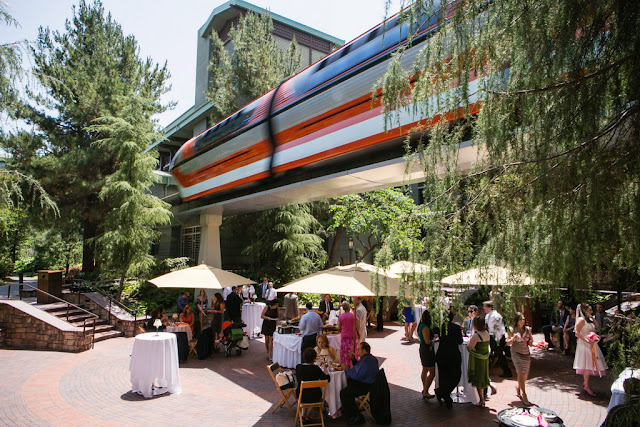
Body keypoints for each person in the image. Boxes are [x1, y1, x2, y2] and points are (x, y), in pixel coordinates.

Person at [340, 342, 378, 426]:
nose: (357, 351)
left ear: (364, 351)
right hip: (367, 383)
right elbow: (359, 370)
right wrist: (353, 359)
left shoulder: (366, 360)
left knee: (344, 393)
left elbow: (356, 375)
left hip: (366, 386)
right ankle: (349, 410)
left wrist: (346, 369)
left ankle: (355, 415)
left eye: (359, 349)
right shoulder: (368, 358)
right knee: (347, 386)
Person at [573, 303, 608, 396]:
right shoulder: (581, 320)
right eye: (590, 310)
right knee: (586, 364)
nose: (591, 311)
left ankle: (586, 384)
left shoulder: (589, 320)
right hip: (584, 344)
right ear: (584, 310)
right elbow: (576, 333)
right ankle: (587, 385)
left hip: (591, 344)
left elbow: (597, 327)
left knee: (591, 363)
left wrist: (592, 318)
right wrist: (587, 340)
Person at [435, 311, 463, 408]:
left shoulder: (441, 327)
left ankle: (442, 393)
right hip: (453, 355)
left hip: (442, 354)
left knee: (443, 377)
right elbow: (460, 341)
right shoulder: (456, 327)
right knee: (456, 375)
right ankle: (445, 395)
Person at [295, 348, 330, 422]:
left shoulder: (298, 367)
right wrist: (325, 369)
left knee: (305, 391)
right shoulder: (316, 369)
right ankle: (306, 415)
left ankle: (303, 416)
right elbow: (327, 379)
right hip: (315, 396)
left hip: (301, 395)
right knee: (312, 393)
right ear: (314, 359)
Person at [506, 312, 533, 405]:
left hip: (526, 354)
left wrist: (531, 342)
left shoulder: (528, 329)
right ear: (516, 321)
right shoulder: (512, 329)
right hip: (516, 353)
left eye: (523, 319)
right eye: (521, 319)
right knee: (521, 372)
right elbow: (507, 343)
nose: (522, 321)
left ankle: (519, 387)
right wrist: (513, 338)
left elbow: (530, 341)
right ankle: (524, 394)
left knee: (524, 375)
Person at [483, 300, 512, 378]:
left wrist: (497, 340)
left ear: (489, 307)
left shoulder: (495, 316)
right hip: (492, 337)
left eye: (484, 307)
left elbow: (499, 329)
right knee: (495, 354)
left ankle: (507, 371)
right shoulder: (488, 315)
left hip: (497, 338)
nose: (483, 308)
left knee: (499, 354)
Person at [467, 316, 491, 407]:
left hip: (478, 359)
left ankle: (481, 399)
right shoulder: (487, 333)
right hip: (485, 358)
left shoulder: (476, 335)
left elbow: (469, 347)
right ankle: (484, 395)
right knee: (484, 375)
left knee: (479, 378)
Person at [418, 309, 436, 399]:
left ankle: (424, 388)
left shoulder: (421, 325)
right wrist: (435, 340)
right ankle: (426, 390)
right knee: (432, 371)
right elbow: (427, 341)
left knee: (425, 369)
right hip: (427, 350)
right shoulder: (425, 327)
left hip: (423, 348)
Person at [338, 301, 358, 367]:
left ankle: (345, 365)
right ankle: (352, 364)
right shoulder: (353, 316)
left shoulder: (341, 316)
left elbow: (339, 327)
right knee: (352, 351)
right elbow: (357, 326)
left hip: (344, 336)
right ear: (349, 307)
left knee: (344, 352)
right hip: (352, 336)